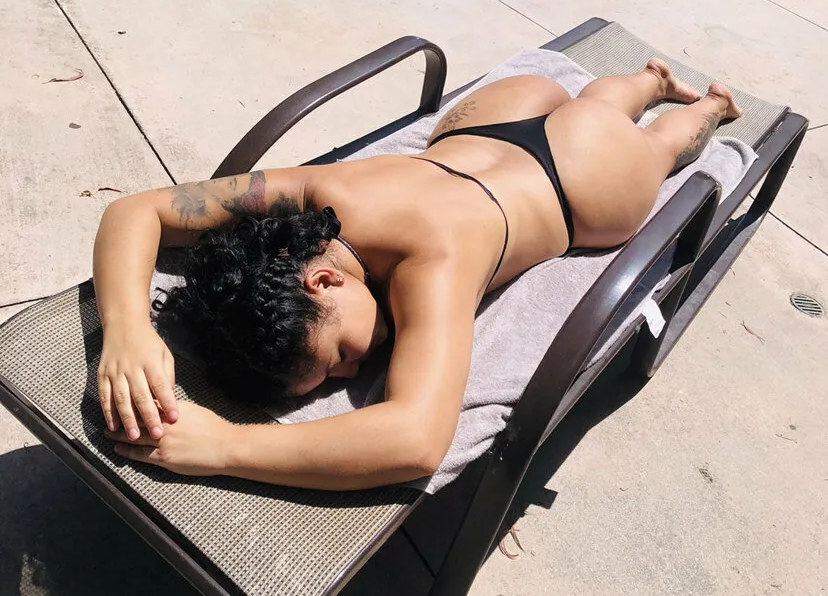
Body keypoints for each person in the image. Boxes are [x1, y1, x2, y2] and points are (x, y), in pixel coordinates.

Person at [94, 60, 741, 489]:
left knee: (661, 146)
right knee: (601, 103)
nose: (351, 375)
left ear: (322, 283)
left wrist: (225, 447)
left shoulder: (432, 267)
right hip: (495, 113)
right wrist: (128, 330)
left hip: (584, 183)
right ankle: (650, 79)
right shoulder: (318, 194)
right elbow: (137, 211)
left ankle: (712, 107)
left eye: (338, 356)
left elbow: (415, 441)